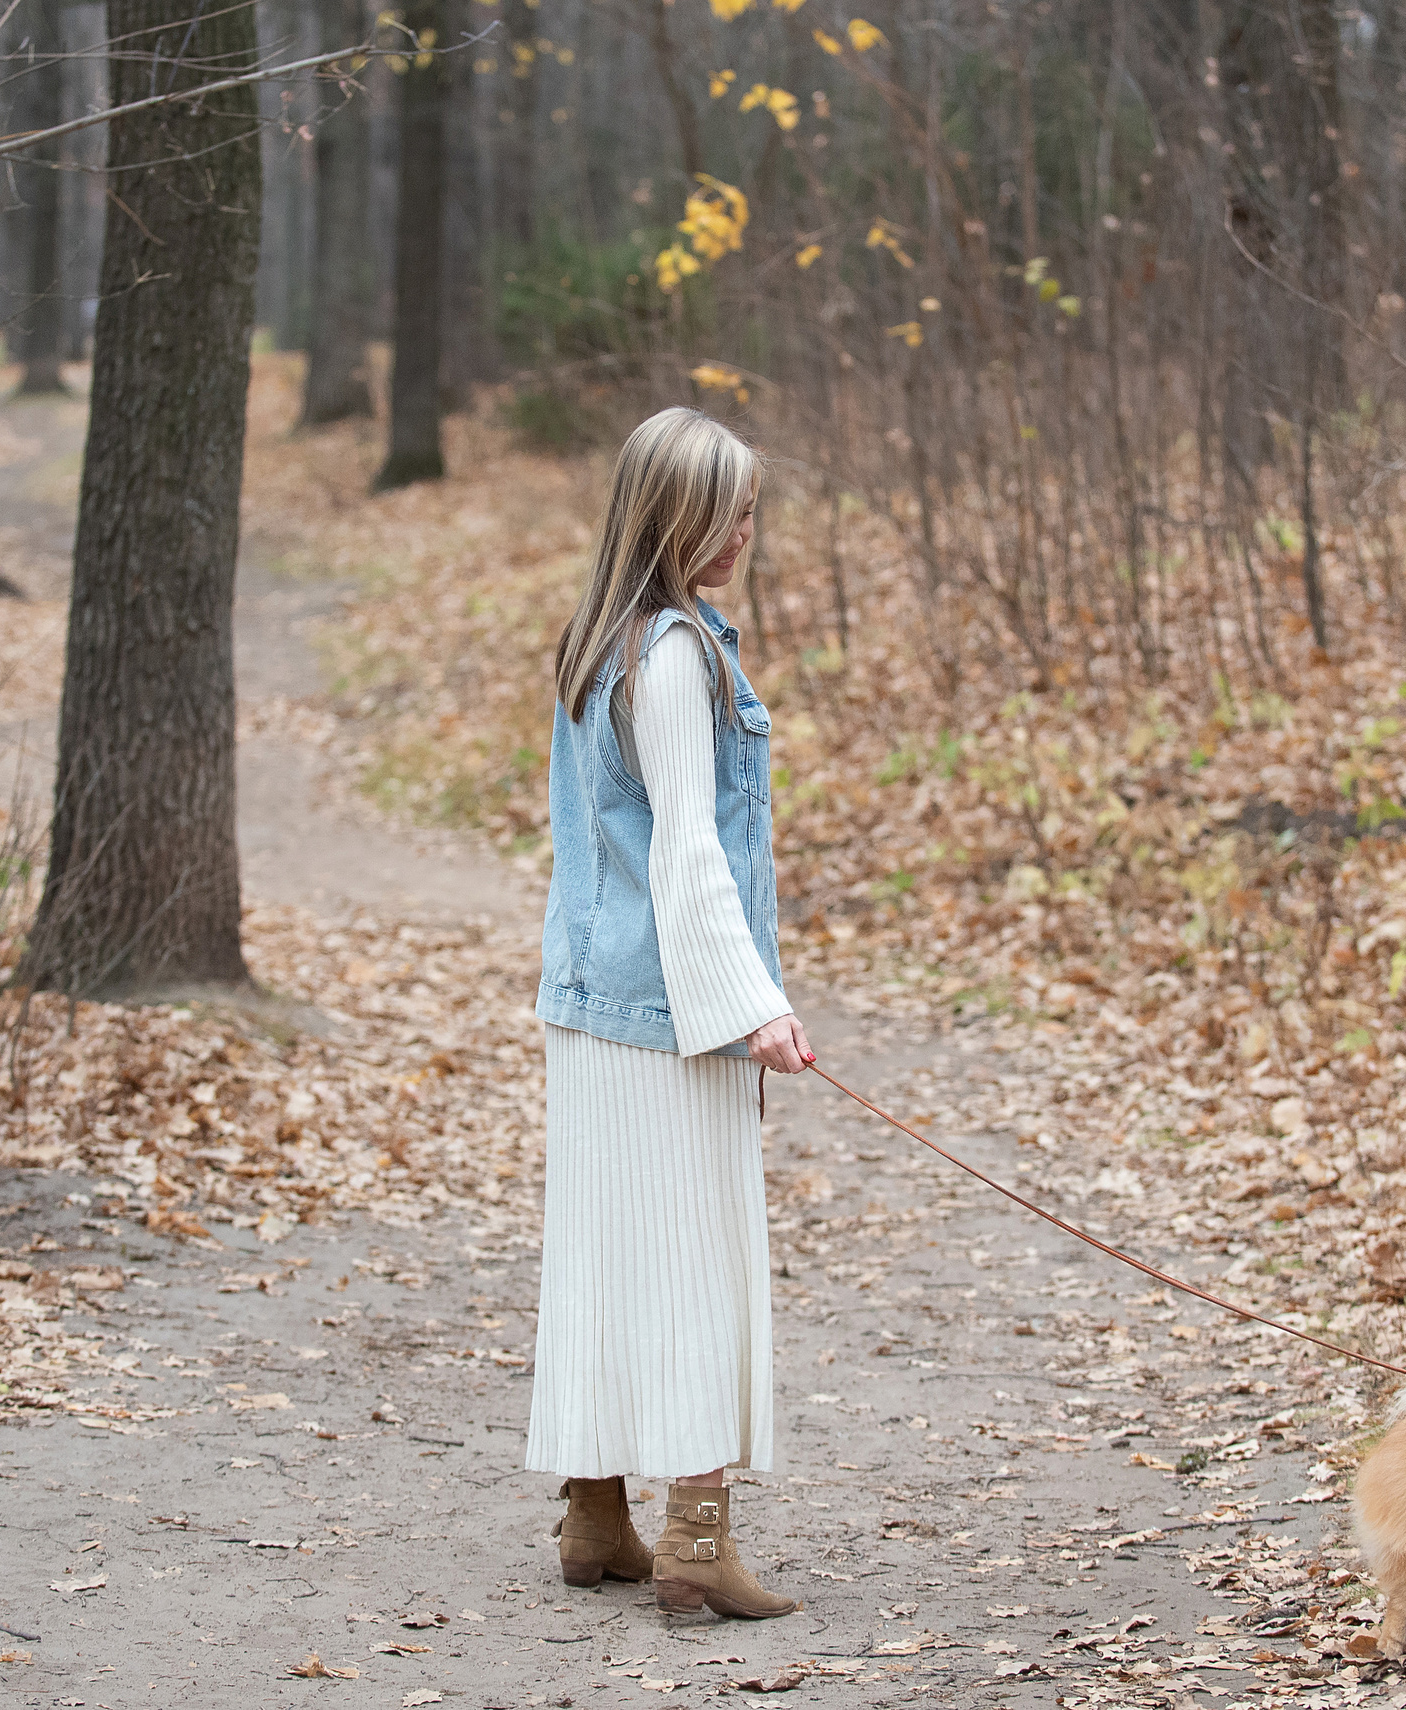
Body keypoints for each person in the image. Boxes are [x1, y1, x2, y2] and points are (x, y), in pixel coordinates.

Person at [524, 407, 814, 1619]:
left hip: (590, 1007)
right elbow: (688, 849)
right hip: (670, 1017)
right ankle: (696, 1535)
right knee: (699, 1264)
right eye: (723, 515)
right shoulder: (681, 654)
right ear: (670, 518)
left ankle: (596, 1517)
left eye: (747, 513)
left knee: (598, 1260)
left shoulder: (599, 640)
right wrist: (753, 1008)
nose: (742, 536)